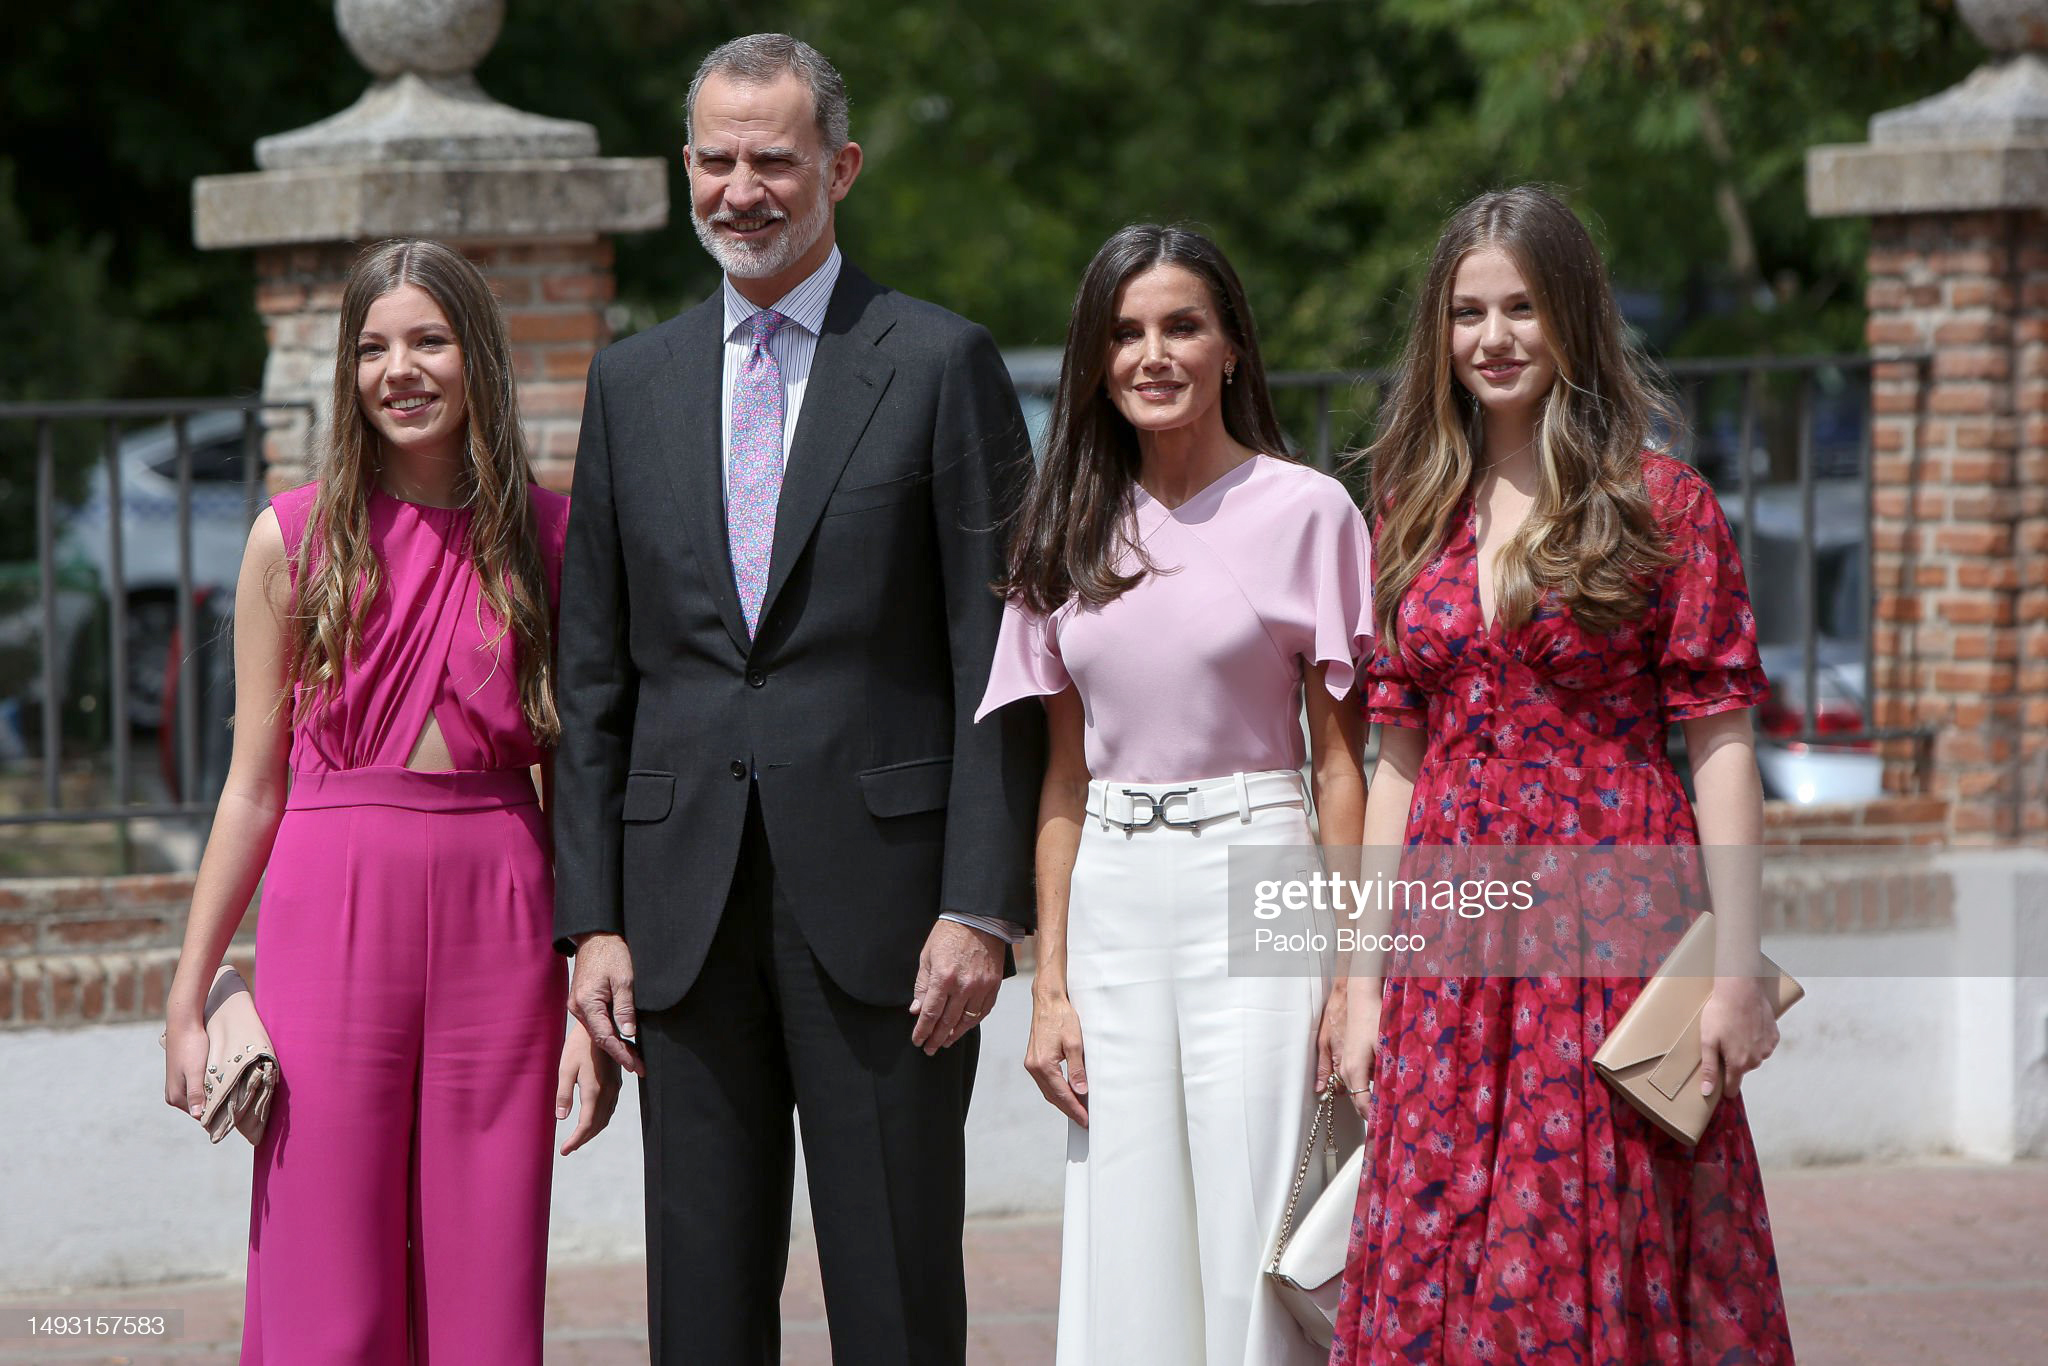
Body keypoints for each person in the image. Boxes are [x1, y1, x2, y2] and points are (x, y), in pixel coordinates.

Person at [551, 33, 1044, 1366]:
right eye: (716, 159)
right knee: (700, 1307)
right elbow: (592, 677)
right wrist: (589, 921)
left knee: (893, 1291)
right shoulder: (629, 384)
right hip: (680, 916)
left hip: (893, 917)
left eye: (773, 158)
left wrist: (979, 906)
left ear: (842, 166)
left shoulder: (941, 364)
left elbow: (996, 655)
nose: (742, 188)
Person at [1328, 185, 1794, 1364]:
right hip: (1445, 938)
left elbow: (1722, 742)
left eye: (1522, 308)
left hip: (1610, 923)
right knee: (1440, 1237)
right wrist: (1358, 977)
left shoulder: (1659, 505)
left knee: (1590, 1226)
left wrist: (1733, 965)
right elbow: (1392, 759)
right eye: (1466, 311)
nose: (1492, 338)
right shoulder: (1409, 510)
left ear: (1573, 316)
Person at [161, 237, 616, 1363]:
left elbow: (579, 787)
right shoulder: (294, 535)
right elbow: (251, 786)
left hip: (501, 915)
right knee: (326, 1269)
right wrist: (186, 995)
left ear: (478, 361)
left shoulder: (554, 543)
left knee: (485, 1265)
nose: (398, 369)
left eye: (428, 339)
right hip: (329, 907)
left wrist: (586, 992)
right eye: (372, 347)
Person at [977, 224, 1372, 1366]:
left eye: (1181, 326)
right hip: (1110, 891)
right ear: (1096, 361)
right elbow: (1061, 777)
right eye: (1126, 332)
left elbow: (1341, 764)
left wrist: (1354, 976)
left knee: (1260, 1216)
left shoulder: (1309, 512)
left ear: (1233, 347)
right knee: (1125, 1221)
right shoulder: (1060, 530)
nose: (1153, 354)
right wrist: (1044, 987)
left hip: (1260, 868)